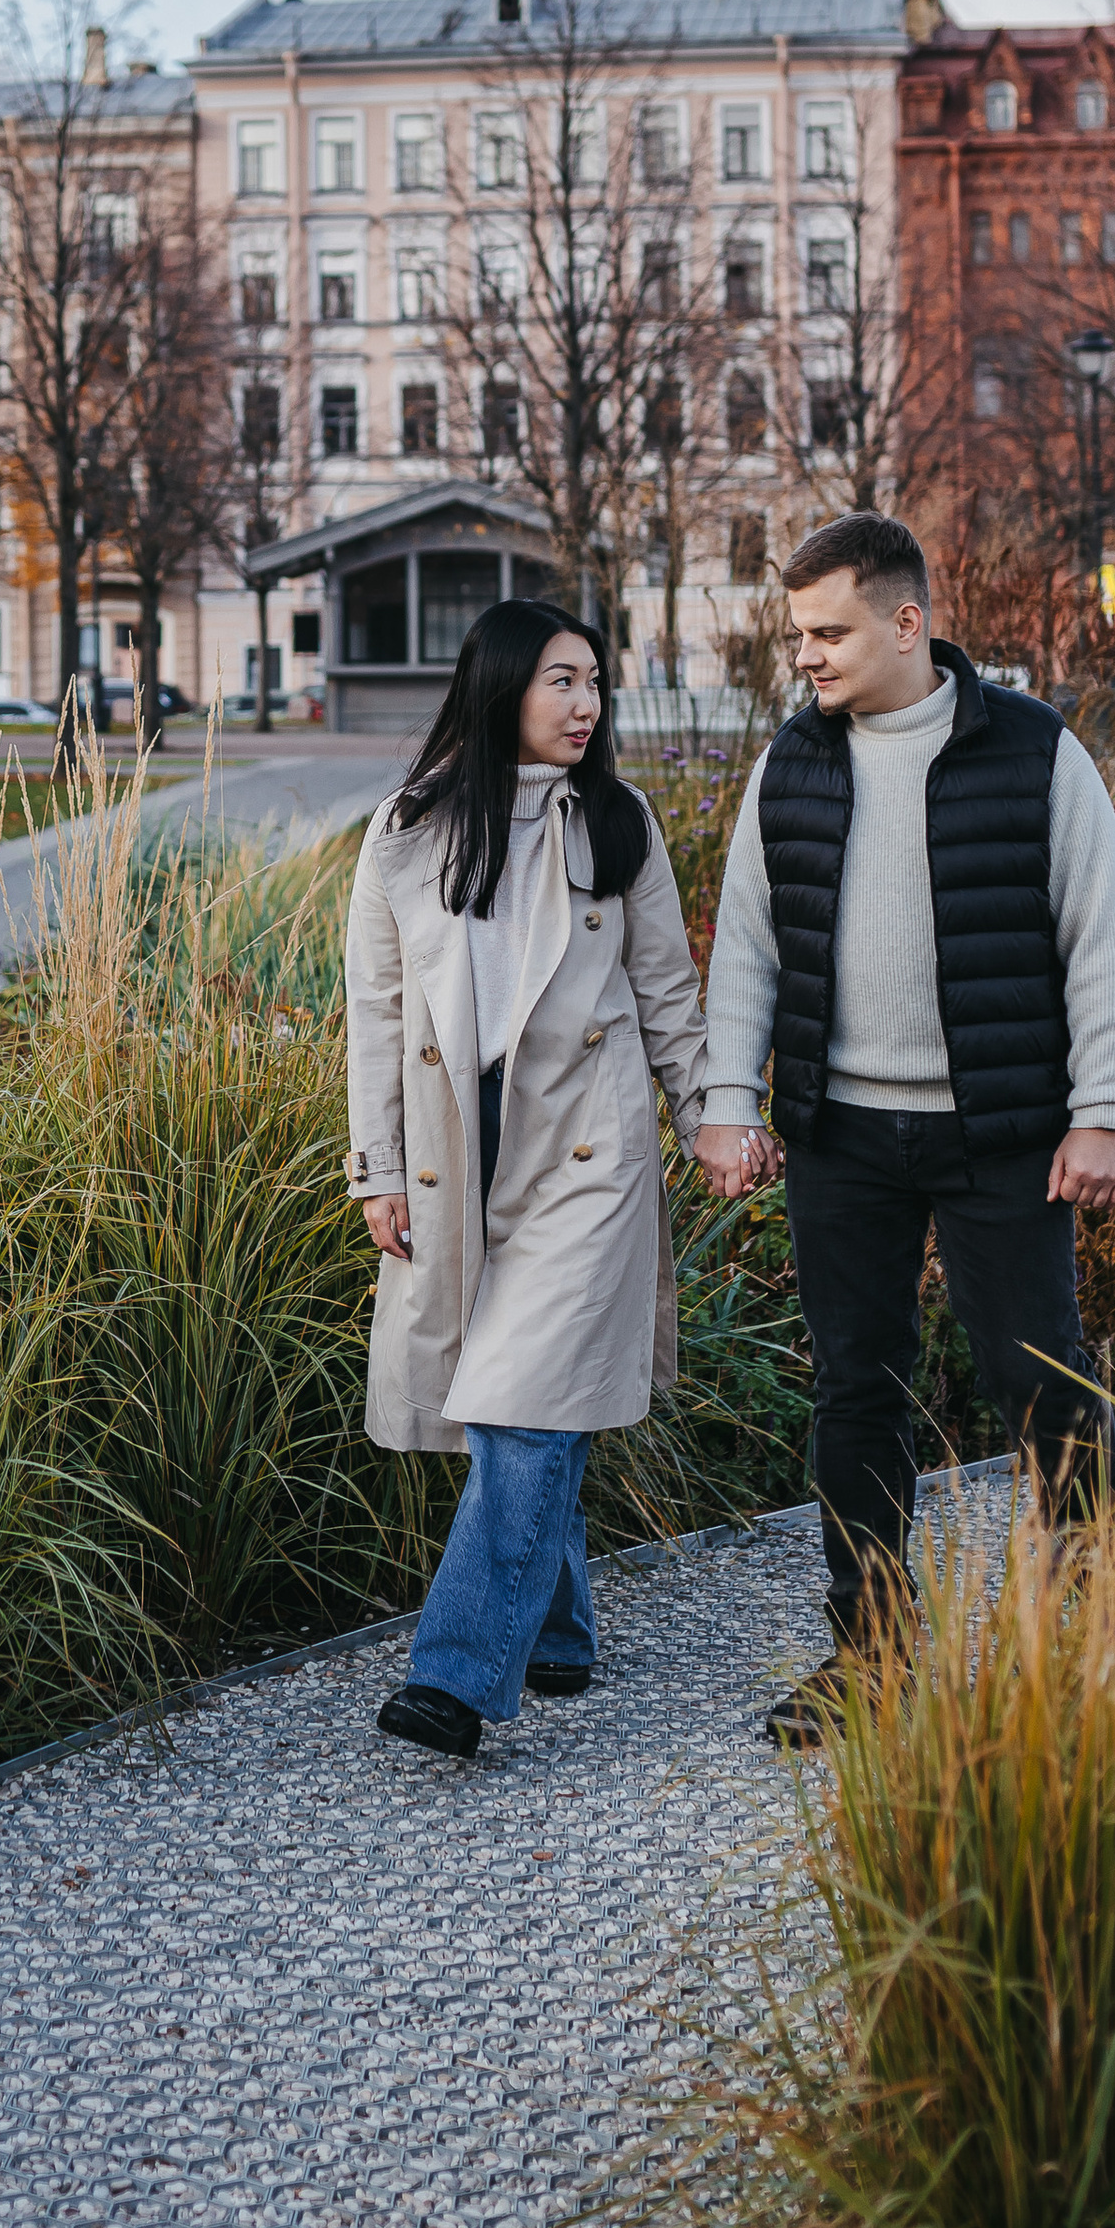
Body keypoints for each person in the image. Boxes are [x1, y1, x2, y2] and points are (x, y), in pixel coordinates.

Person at [696, 511, 1115, 1746]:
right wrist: (729, 1102)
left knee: (1039, 1384)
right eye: (798, 636)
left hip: (1002, 1135)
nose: (809, 656)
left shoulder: (1033, 751)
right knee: (856, 1395)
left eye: (829, 631)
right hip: (840, 1137)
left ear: (907, 622)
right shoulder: (794, 759)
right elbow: (748, 943)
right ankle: (872, 1657)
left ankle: (1100, 1644)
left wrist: (1101, 1113)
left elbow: (1096, 939)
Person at [346, 598, 710, 1761]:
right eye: (561, 680)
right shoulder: (407, 828)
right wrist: (378, 1168)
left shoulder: (617, 821)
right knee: (522, 1393)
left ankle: (454, 1678)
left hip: (586, 1148)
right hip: (461, 1144)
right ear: (501, 685)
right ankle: (556, 1630)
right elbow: (377, 1012)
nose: (586, 704)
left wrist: (710, 1119)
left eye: (595, 682)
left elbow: (664, 993)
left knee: (514, 1398)